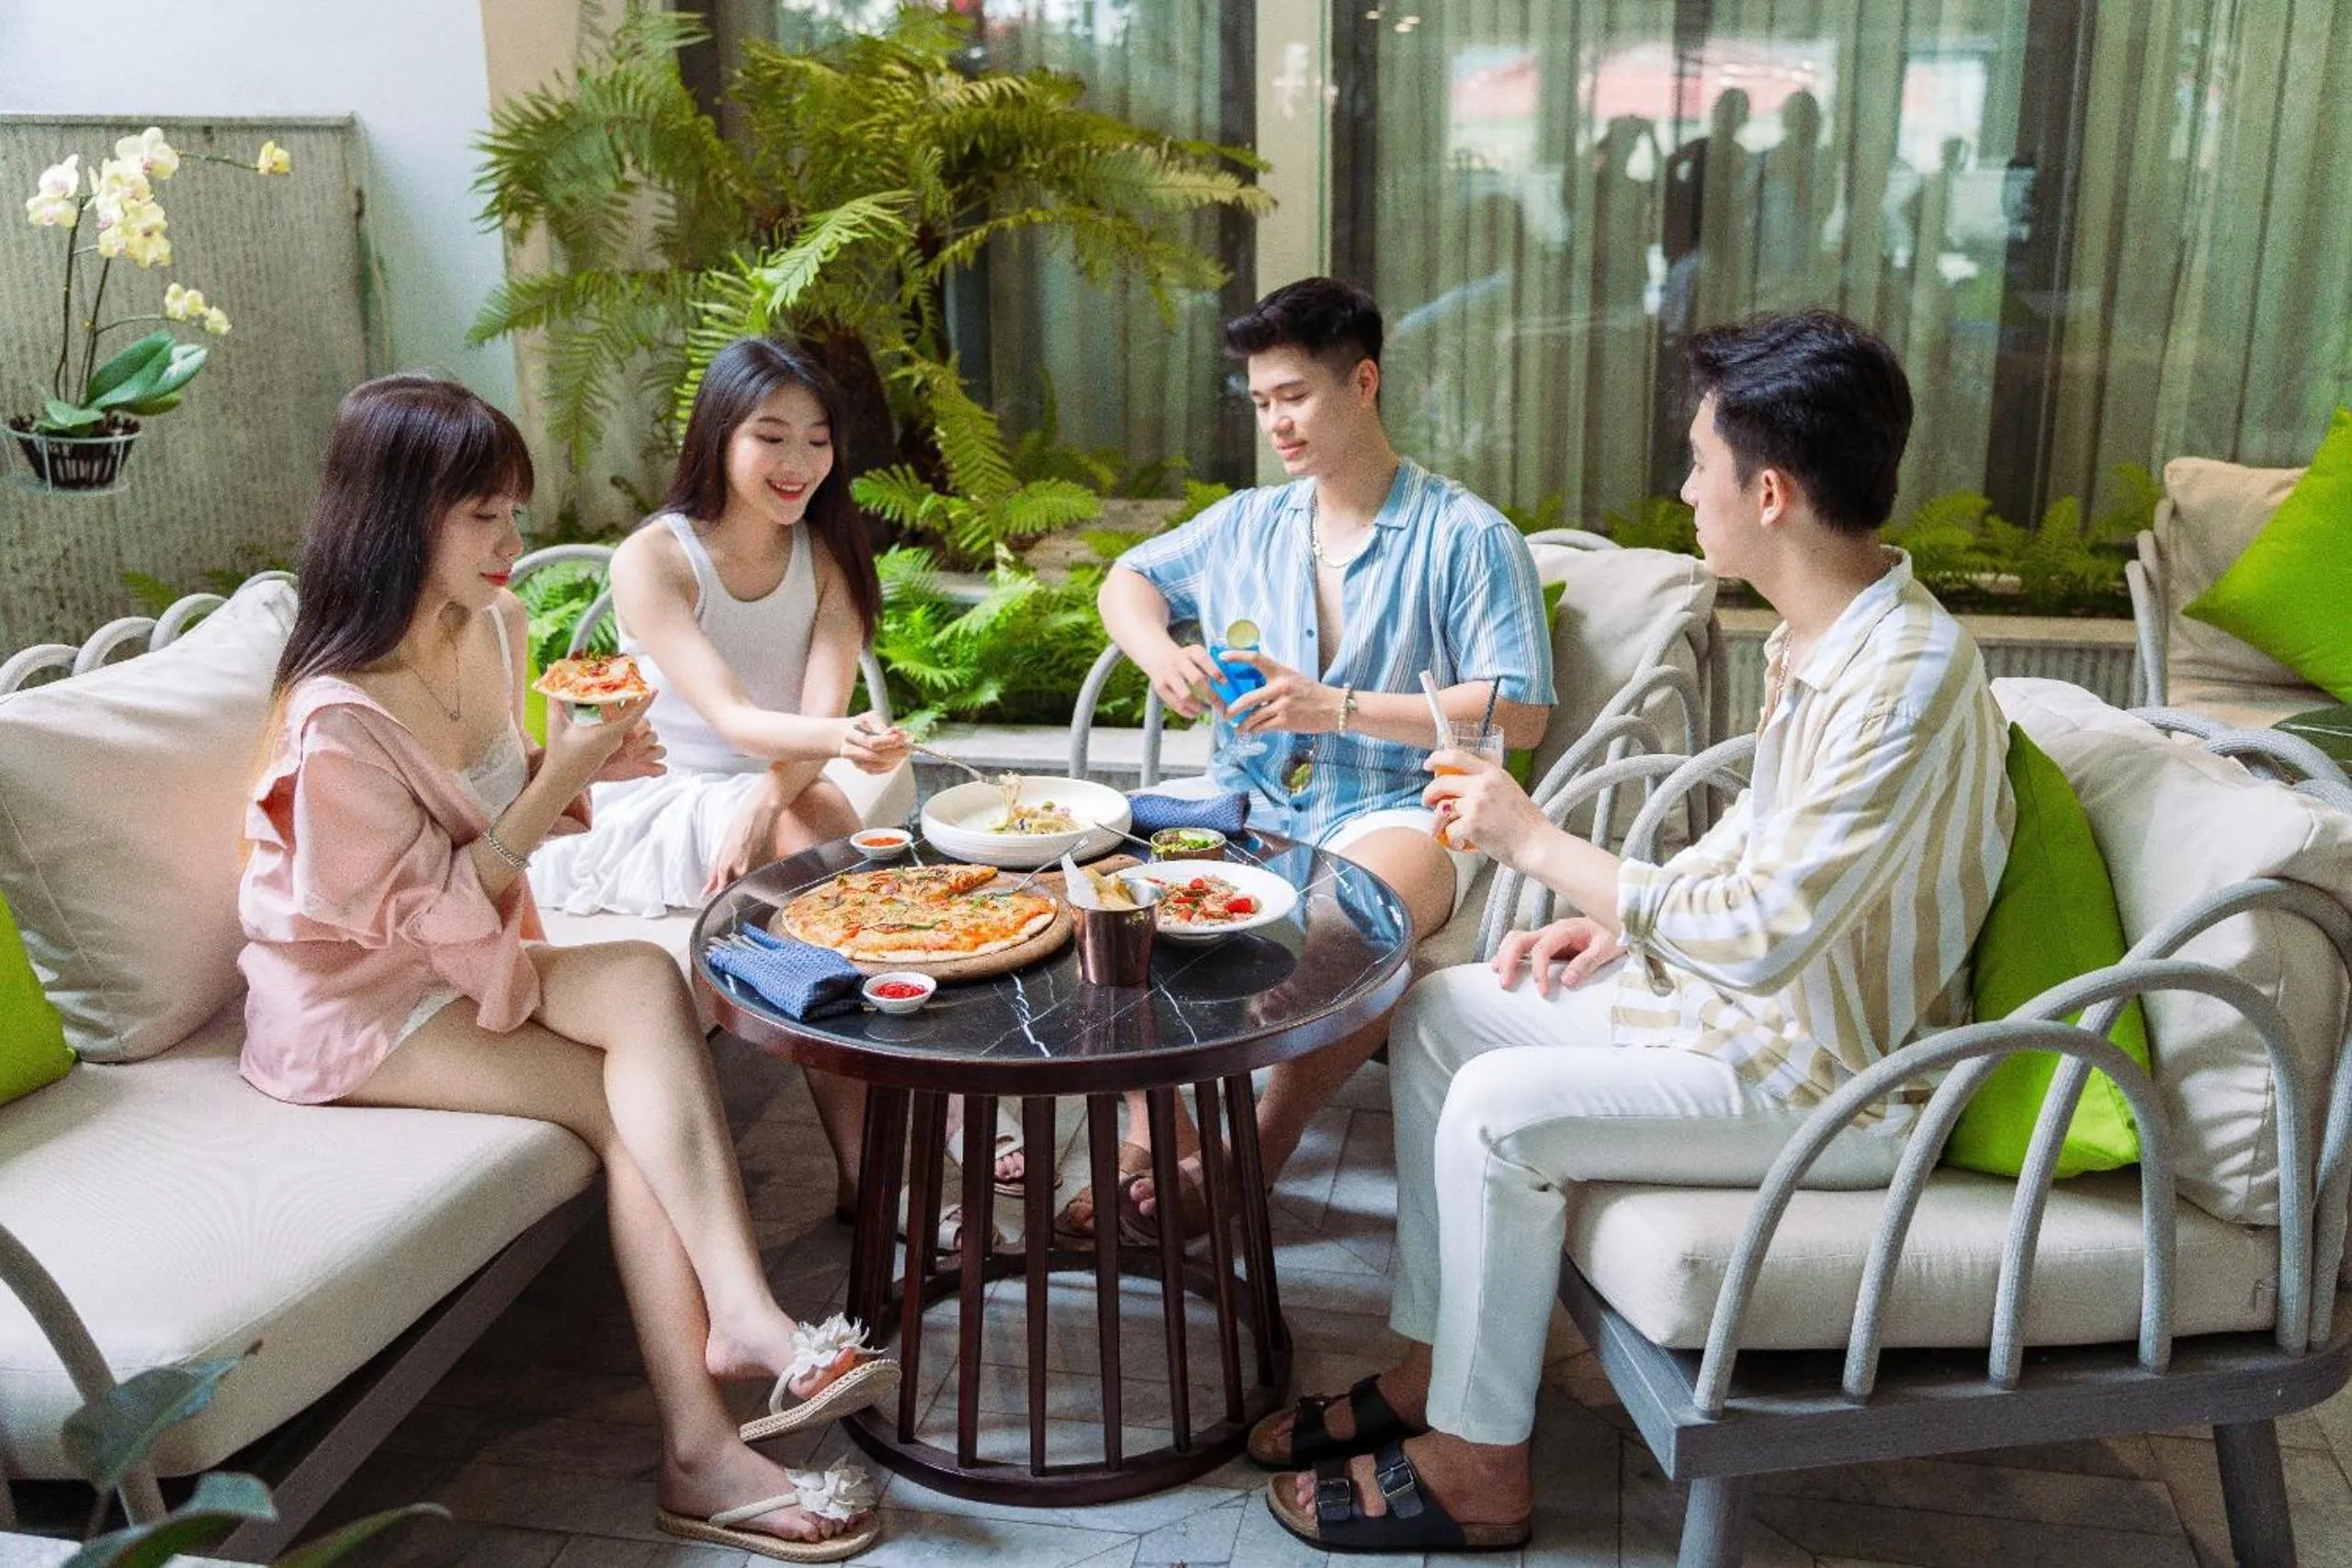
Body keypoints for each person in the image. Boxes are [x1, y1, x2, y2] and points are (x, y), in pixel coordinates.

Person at [1256, 311, 2016, 1552]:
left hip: (1840, 1074)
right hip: (1748, 1014)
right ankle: (1429, 1365)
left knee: (1501, 1109)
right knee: (1442, 1011)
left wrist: (1543, 846)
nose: (1683, 488)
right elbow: (1768, 841)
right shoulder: (1833, 628)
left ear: (1768, 492)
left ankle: (1480, 1464)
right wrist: (1625, 923)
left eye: (1698, 462)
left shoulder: (1907, 675)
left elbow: (1771, 929)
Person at [238, 374, 894, 1562]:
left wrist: (593, 763)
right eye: (481, 516)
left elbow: (496, 808)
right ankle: (703, 1438)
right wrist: (554, 782)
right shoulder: (335, 717)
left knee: (648, 985)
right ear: (395, 518)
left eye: (512, 512)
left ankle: (736, 1334)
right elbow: (430, 909)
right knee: (623, 1106)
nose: (513, 544)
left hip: (477, 945)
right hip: (359, 998)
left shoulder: (494, 625)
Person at [1088, 276, 1556, 1241]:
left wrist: (1333, 706)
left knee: (1352, 916)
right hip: (1244, 797)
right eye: (1260, 403)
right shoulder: (1245, 526)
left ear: (1364, 382)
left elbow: (1521, 713)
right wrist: (1160, 653)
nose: (1276, 423)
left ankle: (1251, 1151)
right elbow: (1126, 579)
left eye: (1293, 396)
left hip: (1405, 803)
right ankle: (1161, 1137)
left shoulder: (1467, 537)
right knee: (1095, 892)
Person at [525, 339, 1018, 1213]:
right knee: (828, 829)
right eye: (772, 436)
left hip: (774, 785)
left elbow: (805, 738)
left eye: (818, 440)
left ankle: (889, 1160)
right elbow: (733, 719)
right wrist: (822, 749)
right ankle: (905, 1146)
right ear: (719, 435)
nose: (799, 464)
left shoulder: (825, 555)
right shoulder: (656, 558)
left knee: (813, 822)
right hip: (654, 797)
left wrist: (764, 798)